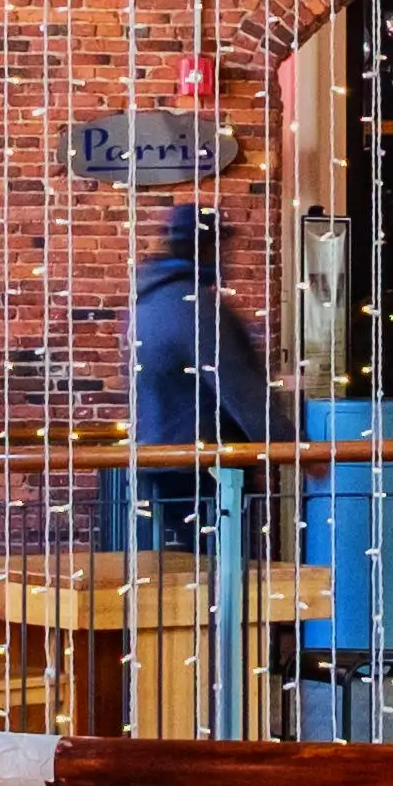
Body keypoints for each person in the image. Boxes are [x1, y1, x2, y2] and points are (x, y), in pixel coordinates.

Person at [121, 214, 273, 554]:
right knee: (226, 568)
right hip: (205, 466)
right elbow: (238, 385)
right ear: (205, 247)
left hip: (162, 457)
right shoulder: (194, 305)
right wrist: (293, 446)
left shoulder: (147, 300)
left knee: (191, 571)